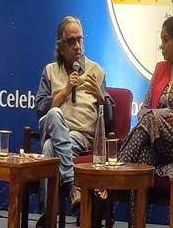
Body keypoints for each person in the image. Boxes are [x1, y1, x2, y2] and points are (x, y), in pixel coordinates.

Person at [34, 16, 114, 228]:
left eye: (80, 39)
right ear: (61, 48)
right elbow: (40, 109)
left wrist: (101, 98)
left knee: (49, 149)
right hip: (51, 127)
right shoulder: (50, 71)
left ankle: (46, 220)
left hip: (81, 137)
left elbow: (109, 119)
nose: (77, 46)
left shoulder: (96, 72)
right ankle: (71, 185)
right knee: (53, 114)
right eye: (71, 41)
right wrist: (65, 91)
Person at [118, 15, 173, 181]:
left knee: (151, 119)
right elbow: (144, 109)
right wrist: (153, 117)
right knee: (145, 156)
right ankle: (132, 199)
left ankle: (114, 172)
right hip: (155, 141)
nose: (161, 46)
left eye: (165, 40)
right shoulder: (159, 69)